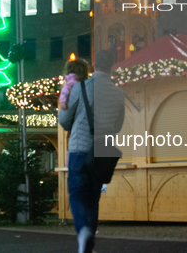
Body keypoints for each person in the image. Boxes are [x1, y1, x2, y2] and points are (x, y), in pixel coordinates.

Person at [58, 50, 125, 253]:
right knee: (93, 198)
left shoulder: (80, 87)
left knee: (77, 195)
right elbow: (118, 125)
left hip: (79, 149)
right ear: (112, 66)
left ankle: (84, 231)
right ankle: (88, 246)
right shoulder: (118, 92)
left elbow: (64, 121)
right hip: (102, 152)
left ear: (93, 65)